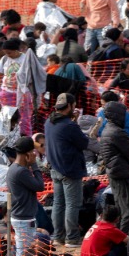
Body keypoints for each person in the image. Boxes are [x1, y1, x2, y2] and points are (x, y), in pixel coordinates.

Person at [43, 93, 89, 247]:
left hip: (55, 168)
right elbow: (83, 143)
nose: (74, 108)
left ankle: (58, 237)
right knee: (72, 205)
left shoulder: (49, 122)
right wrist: (74, 124)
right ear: (69, 106)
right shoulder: (69, 125)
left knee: (58, 204)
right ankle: (72, 239)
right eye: (73, 105)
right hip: (69, 170)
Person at [5, 136, 44, 256]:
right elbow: (40, 186)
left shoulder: (15, 168)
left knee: (24, 252)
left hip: (21, 217)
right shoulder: (20, 171)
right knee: (24, 255)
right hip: (23, 219)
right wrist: (34, 165)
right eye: (33, 152)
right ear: (28, 153)